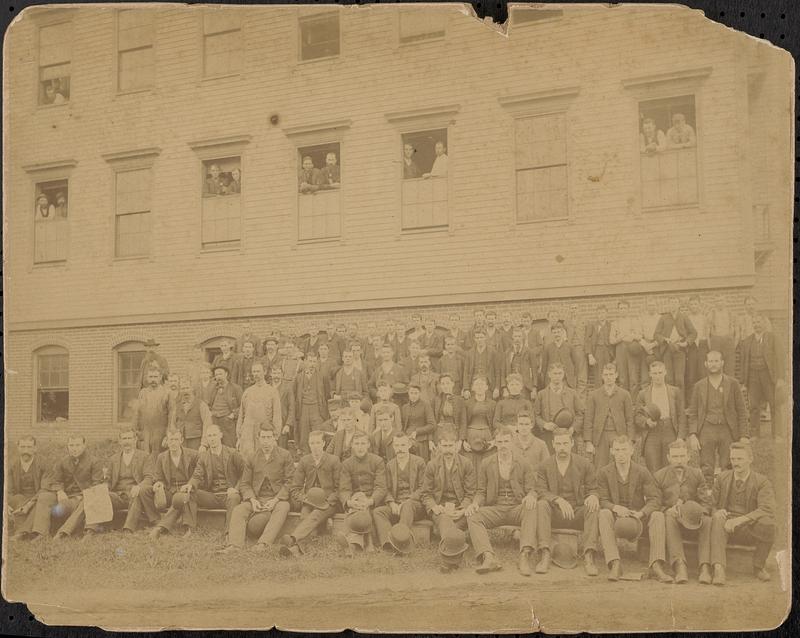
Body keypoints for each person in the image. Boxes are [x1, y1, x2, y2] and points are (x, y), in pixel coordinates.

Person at [465, 426, 538, 576]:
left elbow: (532, 488)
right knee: (473, 515)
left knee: (531, 507)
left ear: (512, 442)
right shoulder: (486, 463)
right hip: (496, 508)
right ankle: (488, 556)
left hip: (516, 508)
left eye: (506, 441)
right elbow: (481, 491)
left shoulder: (523, 463)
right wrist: (475, 503)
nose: (503, 445)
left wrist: (531, 496)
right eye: (500, 441)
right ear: (495, 443)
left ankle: (524, 555)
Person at [597, 436, 670, 583]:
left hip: (638, 516)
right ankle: (614, 563)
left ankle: (656, 564)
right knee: (604, 514)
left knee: (658, 515)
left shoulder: (642, 471)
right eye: (617, 450)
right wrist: (616, 508)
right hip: (616, 515)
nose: (621, 454)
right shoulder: (604, 472)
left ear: (631, 451)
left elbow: (655, 499)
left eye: (624, 450)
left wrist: (641, 512)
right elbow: (602, 500)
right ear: (611, 451)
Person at [534, 428, 601, 576]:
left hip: (577, 513)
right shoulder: (544, 466)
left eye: (565, 443)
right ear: (553, 444)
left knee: (593, 506)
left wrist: (593, 496)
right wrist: (557, 499)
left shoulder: (584, 464)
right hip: (554, 514)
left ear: (571, 443)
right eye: (559, 444)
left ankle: (589, 555)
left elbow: (594, 488)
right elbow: (540, 491)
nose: (562, 447)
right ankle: (545, 553)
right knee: (542, 504)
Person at [709, 442, 776, 585]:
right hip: (725, 524)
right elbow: (711, 504)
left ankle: (758, 567)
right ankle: (718, 568)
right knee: (717, 519)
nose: (735, 463)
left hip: (748, 526)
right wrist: (716, 511)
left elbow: (767, 508)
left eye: (740, 459)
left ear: (750, 459)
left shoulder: (761, 481)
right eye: (733, 459)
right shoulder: (722, 478)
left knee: (769, 525)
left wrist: (740, 520)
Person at [219, 427, 294, 553]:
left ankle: (263, 544)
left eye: (269, 437)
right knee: (238, 509)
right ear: (258, 439)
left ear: (275, 438)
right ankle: (235, 545)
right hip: (257, 497)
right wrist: (253, 500)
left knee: (284, 507)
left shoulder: (284, 455)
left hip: (277, 498)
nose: (266, 441)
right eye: (263, 437)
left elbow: (290, 481)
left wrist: (275, 500)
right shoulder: (252, 457)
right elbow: (245, 483)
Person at [652, 439, 713, 584]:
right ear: (668, 458)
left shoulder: (697, 474)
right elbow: (654, 503)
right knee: (669, 518)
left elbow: (706, 501)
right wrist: (667, 510)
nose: (679, 461)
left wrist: (698, 512)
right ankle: (680, 565)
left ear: (688, 457)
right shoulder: (659, 476)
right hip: (672, 520)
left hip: (693, 519)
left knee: (708, 520)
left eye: (681, 456)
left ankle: (704, 567)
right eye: (675, 457)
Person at [687, 350, 749, 481]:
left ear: (722, 363)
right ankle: (708, 494)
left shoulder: (733, 384)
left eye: (716, 361)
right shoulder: (699, 386)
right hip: (706, 429)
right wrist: (693, 434)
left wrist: (743, 435)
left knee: (728, 465)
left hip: (727, 429)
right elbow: (693, 413)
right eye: (710, 361)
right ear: (705, 364)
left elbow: (742, 411)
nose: (713, 364)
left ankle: (727, 493)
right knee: (706, 466)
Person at [280, 430, 342, 557]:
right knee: (304, 515)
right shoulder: (305, 461)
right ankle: (296, 551)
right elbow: (295, 488)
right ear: (309, 444)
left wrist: (329, 501)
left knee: (316, 514)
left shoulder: (334, 460)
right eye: (312, 443)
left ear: (324, 443)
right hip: (310, 501)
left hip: (329, 502)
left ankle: (292, 539)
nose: (315, 446)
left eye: (318, 442)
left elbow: (339, 488)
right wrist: (304, 499)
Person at [421, 426, 475, 571]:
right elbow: (425, 493)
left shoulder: (466, 464)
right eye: (444, 446)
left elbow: (471, 493)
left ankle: (447, 561)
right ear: (439, 446)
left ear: (457, 446)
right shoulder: (432, 465)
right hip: (441, 509)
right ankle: (454, 560)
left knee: (455, 527)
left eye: (451, 446)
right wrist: (435, 507)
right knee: (445, 521)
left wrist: (462, 509)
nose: (448, 450)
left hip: (459, 510)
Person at [32, 435, 106, 540]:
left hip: (83, 497)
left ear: (84, 446)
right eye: (71, 445)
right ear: (67, 446)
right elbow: (56, 480)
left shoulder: (94, 461)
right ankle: (41, 532)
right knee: (45, 496)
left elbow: (97, 484)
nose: (74, 448)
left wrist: (82, 496)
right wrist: (60, 491)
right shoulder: (63, 461)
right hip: (66, 495)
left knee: (86, 499)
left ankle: (64, 532)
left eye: (77, 445)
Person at [372, 433, 427, 553]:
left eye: (403, 445)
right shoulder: (390, 465)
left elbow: (423, 488)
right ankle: (388, 543)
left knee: (407, 506)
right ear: (393, 447)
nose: (400, 449)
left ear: (409, 445)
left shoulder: (419, 462)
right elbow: (386, 489)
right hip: (396, 505)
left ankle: (402, 542)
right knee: (378, 512)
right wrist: (391, 503)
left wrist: (408, 501)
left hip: (415, 506)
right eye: (397, 445)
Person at [336, 431, 387, 556]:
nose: (360, 447)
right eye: (357, 443)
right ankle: (365, 543)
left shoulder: (377, 461)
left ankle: (353, 544)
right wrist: (349, 502)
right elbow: (344, 489)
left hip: (373, 500)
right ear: (352, 445)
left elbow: (381, 487)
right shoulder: (347, 464)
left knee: (362, 501)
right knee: (359, 499)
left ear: (368, 445)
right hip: (355, 501)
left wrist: (370, 501)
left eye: (363, 443)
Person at [188, 423, 245, 535]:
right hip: (213, 496)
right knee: (191, 493)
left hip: (230, 495)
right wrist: (190, 484)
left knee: (233, 498)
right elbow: (197, 475)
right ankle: (191, 528)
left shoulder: (233, 453)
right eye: (209, 436)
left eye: (214, 435)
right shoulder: (204, 457)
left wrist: (236, 488)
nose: (212, 439)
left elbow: (245, 473)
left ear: (220, 436)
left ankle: (229, 532)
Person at [148, 429, 201, 540]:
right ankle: (156, 521)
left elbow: (199, 473)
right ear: (167, 441)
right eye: (170, 440)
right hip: (170, 490)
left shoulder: (193, 455)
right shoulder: (161, 457)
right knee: (149, 492)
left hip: (186, 490)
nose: (173, 443)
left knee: (181, 498)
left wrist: (190, 485)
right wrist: (159, 483)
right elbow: (158, 477)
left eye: (176, 439)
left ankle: (161, 528)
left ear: (181, 440)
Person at [634, 360, 687, 472]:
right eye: (654, 373)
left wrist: (680, 437)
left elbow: (681, 415)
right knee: (653, 466)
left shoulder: (675, 391)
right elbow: (637, 416)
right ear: (650, 374)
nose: (657, 376)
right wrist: (646, 421)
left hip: (669, 429)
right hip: (652, 432)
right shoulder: (643, 394)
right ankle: (655, 489)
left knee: (670, 465)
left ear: (665, 372)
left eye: (660, 372)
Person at [739, 315, 784, 439]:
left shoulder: (772, 338)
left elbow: (780, 358)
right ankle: (754, 434)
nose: (756, 325)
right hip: (753, 376)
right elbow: (744, 362)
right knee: (753, 406)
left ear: (764, 324)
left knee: (774, 404)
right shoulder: (748, 340)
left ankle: (777, 434)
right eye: (754, 322)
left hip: (768, 376)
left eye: (758, 322)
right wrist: (743, 382)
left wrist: (780, 378)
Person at [584, 363, 634, 468]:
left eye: (611, 374)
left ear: (616, 375)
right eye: (606, 375)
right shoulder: (594, 395)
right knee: (600, 467)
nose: (608, 377)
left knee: (619, 465)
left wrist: (630, 440)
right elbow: (588, 419)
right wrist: (588, 441)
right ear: (602, 376)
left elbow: (630, 420)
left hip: (619, 434)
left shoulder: (624, 394)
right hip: (600, 436)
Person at [107, 426, 155, 534]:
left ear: (135, 440)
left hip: (134, 493)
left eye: (129, 438)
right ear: (120, 441)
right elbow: (108, 480)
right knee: (103, 495)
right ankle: (98, 528)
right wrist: (105, 489)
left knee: (136, 495)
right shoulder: (113, 459)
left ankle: (128, 528)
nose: (127, 442)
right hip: (118, 494)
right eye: (124, 439)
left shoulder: (145, 456)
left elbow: (149, 477)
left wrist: (139, 486)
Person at [534, 362, 584, 453]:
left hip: (568, 435)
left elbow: (580, 414)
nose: (557, 376)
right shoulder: (541, 394)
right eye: (554, 373)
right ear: (549, 374)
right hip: (549, 436)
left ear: (564, 374)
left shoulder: (572, 393)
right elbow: (536, 415)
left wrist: (573, 428)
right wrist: (545, 424)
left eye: (560, 373)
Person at [237, 361, 282, 457]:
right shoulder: (247, 392)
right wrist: (239, 436)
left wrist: (275, 436)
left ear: (264, 372)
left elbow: (277, 416)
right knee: (247, 460)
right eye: (254, 372)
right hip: (247, 434)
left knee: (264, 460)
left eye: (258, 371)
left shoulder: (272, 392)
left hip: (264, 433)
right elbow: (241, 415)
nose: (256, 374)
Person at [8, 437, 49, 541]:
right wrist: (6, 504)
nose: (26, 450)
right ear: (18, 448)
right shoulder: (12, 465)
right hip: (19, 499)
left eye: (29, 447)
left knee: (39, 503)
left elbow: (44, 488)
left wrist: (29, 503)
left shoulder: (44, 464)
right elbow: (8, 490)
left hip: (36, 497)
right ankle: (23, 531)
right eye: (23, 447)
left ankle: (21, 532)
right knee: (18, 498)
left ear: (35, 448)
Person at [654, 296, 696, 395]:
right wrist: (665, 339)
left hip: (680, 350)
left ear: (678, 305)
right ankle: (670, 402)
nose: (673, 305)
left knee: (679, 378)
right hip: (667, 350)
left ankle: (680, 404)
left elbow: (693, 333)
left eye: (675, 303)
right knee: (668, 378)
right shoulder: (663, 318)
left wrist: (686, 343)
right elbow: (656, 334)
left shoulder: (684, 317)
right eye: (671, 303)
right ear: (668, 305)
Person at [133, 365, 175, 455]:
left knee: (159, 458)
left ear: (160, 378)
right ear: (147, 378)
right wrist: (134, 431)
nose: (153, 379)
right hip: (145, 432)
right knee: (145, 457)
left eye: (155, 377)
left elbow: (171, 415)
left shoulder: (167, 393)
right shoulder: (143, 393)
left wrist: (169, 434)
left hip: (161, 432)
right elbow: (137, 413)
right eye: (150, 377)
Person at [294, 353, 330, 453]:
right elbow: (295, 393)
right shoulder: (299, 377)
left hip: (317, 408)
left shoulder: (322, 376)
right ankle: (305, 455)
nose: (312, 364)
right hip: (304, 408)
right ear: (305, 361)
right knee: (304, 432)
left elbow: (327, 394)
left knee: (317, 431)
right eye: (310, 361)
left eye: (314, 361)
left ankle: (318, 453)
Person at [610, 300, 645, 396]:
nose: (623, 310)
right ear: (618, 310)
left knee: (633, 376)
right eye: (621, 308)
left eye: (625, 308)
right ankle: (623, 401)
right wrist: (621, 337)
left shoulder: (634, 321)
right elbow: (611, 340)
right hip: (620, 349)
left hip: (632, 348)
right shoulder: (615, 323)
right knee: (622, 377)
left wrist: (632, 335)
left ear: (628, 309)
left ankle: (634, 402)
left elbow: (640, 335)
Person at [463, 376, 497, 474]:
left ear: (486, 387)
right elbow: (463, 422)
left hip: (487, 437)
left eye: (482, 384)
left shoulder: (493, 404)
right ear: (472, 388)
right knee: (471, 464)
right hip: (470, 436)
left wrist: (494, 440)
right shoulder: (467, 403)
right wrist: (463, 441)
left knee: (487, 464)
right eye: (477, 384)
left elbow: (495, 423)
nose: (479, 387)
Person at [207, 364, 243, 448]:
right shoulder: (213, 388)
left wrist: (233, 415)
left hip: (228, 422)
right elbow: (209, 404)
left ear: (226, 374)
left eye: (220, 374)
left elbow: (242, 406)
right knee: (215, 445)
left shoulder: (235, 388)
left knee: (229, 446)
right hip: (215, 421)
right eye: (216, 375)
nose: (218, 377)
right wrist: (211, 414)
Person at [172, 379, 212, 450]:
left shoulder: (201, 404)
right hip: (181, 441)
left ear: (192, 388)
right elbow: (173, 424)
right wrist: (174, 440)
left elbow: (207, 424)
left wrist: (204, 444)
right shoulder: (176, 406)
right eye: (183, 388)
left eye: (187, 388)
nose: (185, 391)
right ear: (180, 390)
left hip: (196, 441)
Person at [401, 383, 436, 462]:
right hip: (407, 440)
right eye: (411, 393)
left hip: (421, 440)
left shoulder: (425, 405)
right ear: (408, 393)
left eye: (416, 393)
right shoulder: (405, 407)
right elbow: (403, 426)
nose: (413, 396)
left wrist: (417, 431)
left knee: (421, 463)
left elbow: (432, 425)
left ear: (419, 393)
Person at [462, 329, 501, 399]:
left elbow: (497, 371)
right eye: (477, 338)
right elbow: (465, 372)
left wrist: (497, 388)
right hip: (473, 385)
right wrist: (466, 389)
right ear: (474, 339)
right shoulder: (469, 353)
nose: (479, 340)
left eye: (481, 337)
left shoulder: (492, 352)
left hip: (488, 385)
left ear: (485, 337)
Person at [541, 322, 580, 390]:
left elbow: (576, 364)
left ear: (562, 332)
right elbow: (544, 367)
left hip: (567, 380)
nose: (557, 334)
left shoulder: (569, 347)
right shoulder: (548, 348)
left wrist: (573, 377)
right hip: (552, 380)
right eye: (554, 332)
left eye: (558, 332)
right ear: (552, 334)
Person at [502, 328, 537, 399]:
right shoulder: (507, 352)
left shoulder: (529, 352)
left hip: (525, 386)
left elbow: (534, 371)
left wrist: (534, 388)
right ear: (512, 337)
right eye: (515, 336)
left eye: (519, 336)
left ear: (523, 337)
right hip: (511, 385)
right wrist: (504, 388)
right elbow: (503, 371)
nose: (517, 338)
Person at [685, 295, 710, 392]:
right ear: (689, 306)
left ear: (699, 305)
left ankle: (704, 401)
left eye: (695, 304)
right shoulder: (687, 318)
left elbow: (707, 334)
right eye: (691, 304)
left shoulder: (704, 318)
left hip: (702, 347)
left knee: (703, 374)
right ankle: (692, 402)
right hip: (691, 347)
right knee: (691, 375)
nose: (693, 306)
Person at [432, 374, 467, 444]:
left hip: (454, 433)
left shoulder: (460, 400)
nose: (445, 386)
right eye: (443, 384)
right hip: (439, 433)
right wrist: (430, 440)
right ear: (440, 386)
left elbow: (463, 422)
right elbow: (432, 422)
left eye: (448, 383)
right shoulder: (436, 400)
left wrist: (461, 440)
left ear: (453, 384)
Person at [585, 305, 614, 388]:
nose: (601, 315)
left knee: (609, 374)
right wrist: (590, 355)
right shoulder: (593, 325)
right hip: (597, 352)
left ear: (607, 314)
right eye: (599, 313)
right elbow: (587, 340)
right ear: (597, 315)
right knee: (598, 375)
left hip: (608, 352)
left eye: (603, 313)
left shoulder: (610, 325)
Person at [707, 295, 736, 376]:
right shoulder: (711, 314)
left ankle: (730, 388)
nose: (719, 303)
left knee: (730, 368)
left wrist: (733, 345)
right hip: (716, 343)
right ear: (715, 303)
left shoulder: (731, 314)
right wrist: (711, 347)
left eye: (721, 301)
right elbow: (707, 334)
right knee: (716, 367)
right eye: (717, 301)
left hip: (729, 343)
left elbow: (736, 332)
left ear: (725, 302)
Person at [270, 366, 296, 449]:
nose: (276, 375)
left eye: (278, 373)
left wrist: (288, 424)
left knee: (281, 449)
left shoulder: (287, 388)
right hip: (269, 424)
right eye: (274, 373)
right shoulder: (267, 387)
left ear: (282, 375)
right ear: (271, 374)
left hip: (282, 423)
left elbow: (291, 407)